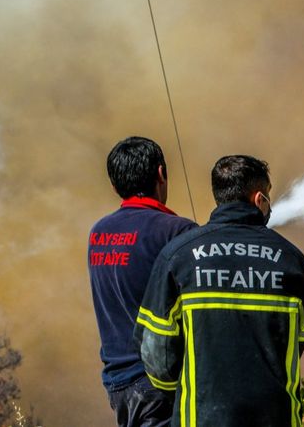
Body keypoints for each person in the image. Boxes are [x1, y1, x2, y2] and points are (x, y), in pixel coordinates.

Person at [135, 155, 304, 427]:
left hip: (202, 417)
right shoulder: (291, 260)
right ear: (259, 200)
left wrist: (182, 391)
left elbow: (155, 348)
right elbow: (297, 340)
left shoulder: (178, 256)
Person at [88, 137, 197, 427]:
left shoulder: (98, 233)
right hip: (161, 385)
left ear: (114, 186)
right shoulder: (176, 231)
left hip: (118, 383)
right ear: (161, 173)